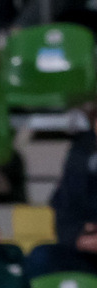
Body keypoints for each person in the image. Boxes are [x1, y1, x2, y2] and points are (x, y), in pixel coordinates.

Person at [26, 104, 97, 279]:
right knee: (41, 256)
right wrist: (79, 237)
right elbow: (64, 221)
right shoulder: (80, 153)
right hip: (84, 253)